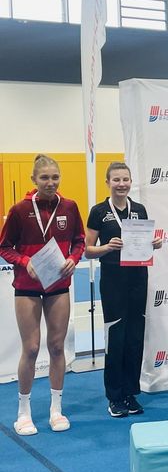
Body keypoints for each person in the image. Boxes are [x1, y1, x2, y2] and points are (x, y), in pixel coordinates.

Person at [0, 154, 85, 435]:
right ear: (34, 179)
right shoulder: (20, 209)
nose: (50, 182)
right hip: (28, 285)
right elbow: (4, 247)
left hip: (58, 284)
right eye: (45, 177)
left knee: (57, 346)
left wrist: (73, 258)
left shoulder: (70, 207)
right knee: (32, 348)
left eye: (55, 177)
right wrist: (25, 262)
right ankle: (23, 412)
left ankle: (56, 409)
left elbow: (79, 241)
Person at [86, 162, 162, 418]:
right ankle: (115, 396)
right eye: (116, 180)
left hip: (138, 278)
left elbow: (144, 243)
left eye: (125, 179)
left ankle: (130, 393)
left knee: (135, 338)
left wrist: (154, 243)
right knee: (116, 338)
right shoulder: (99, 211)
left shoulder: (139, 209)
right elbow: (87, 250)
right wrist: (107, 247)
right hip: (113, 281)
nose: (121, 184)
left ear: (131, 182)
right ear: (108, 182)